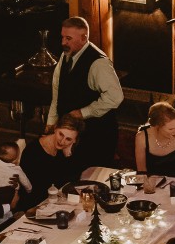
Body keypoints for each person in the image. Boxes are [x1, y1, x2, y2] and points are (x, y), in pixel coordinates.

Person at [47, 16, 123, 168]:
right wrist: (51, 122)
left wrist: (83, 113)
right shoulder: (65, 55)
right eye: (62, 37)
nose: (63, 43)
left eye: (68, 38)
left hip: (97, 136)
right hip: (70, 135)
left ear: (84, 38)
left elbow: (116, 97)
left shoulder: (99, 63)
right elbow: (57, 91)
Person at [17, 116, 81, 206]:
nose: (62, 141)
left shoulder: (63, 150)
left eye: (68, 139)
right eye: (61, 134)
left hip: (54, 200)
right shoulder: (33, 151)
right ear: (55, 128)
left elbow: (71, 181)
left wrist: (68, 154)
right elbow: (35, 190)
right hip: (34, 204)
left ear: (74, 140)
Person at [133, 101, 175, 178]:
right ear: (156, 127)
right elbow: (142, 171)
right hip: (152, 185)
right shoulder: (142, 137)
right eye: (171, 129)